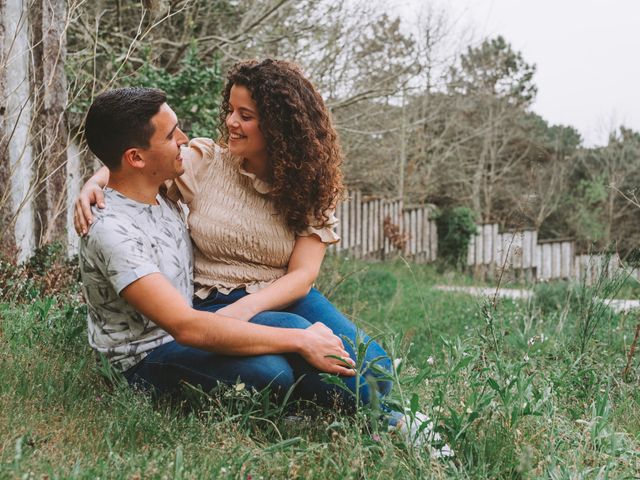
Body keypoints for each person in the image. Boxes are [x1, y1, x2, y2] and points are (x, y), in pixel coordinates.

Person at [79, 86, 357, 404]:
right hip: (142, 360)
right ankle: (302, 405)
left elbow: (118, 167)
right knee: (271, 371)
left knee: (294, 340)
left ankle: (346, 405)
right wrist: (300, 341)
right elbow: (186, 326)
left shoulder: (160, 195)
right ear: (137, 158)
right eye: (171, 136)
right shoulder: (112, 231)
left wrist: (93, 180)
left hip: (183, 335)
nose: (184, 139)